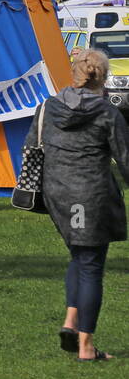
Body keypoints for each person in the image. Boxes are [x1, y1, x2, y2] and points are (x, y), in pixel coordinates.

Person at [27, 48, 129, 361]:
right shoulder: (107, 113)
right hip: (90, 195)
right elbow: (125, 158)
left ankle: (71, 321)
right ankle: (86, 346)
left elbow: (31, 146)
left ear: (73, 74)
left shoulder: (48, 107)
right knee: (90, 265)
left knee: (79, 257)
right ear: (104, 78)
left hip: (58, 194)